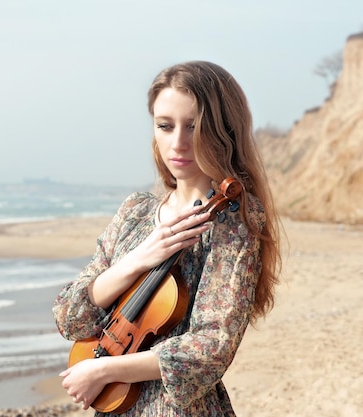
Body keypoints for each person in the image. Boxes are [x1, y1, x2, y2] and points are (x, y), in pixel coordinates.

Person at [52, 61, 282, 416]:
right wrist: (139, 258)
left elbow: (212, 346)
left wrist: (104, 369)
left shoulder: (233, 218)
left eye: (194, 127)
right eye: (165, 126)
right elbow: (72, 317)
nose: (178, 143)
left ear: (223, 132)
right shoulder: (136, 211)